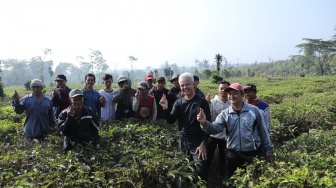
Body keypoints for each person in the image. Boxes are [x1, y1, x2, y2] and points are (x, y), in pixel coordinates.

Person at [197, 83, 273, 178]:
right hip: (233, 154)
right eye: (229, 94)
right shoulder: (225, 114)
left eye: (235, 93)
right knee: (235, 180)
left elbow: (263, 131)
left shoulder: (254, 111)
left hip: (251, 153)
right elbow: (215, 129)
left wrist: (268, 148)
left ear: (242, 95)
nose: (231, 96)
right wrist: (204, 123)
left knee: (252, 180)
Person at [159, 72, 211, 181]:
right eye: (182, 85)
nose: (184, 87)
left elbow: (208, 125)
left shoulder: (202, 102)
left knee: (201, 173)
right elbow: (170, 120)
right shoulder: (178, 103)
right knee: (184, 172)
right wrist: (165, 109)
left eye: (187, 84)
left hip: (198, 143)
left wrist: (203, 144)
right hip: (183, 142)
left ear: (193, 84)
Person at [205, 80, 231, 179]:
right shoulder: (212, 103)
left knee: (223, 157)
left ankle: (223, 176)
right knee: (208, 156)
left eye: (225, 88)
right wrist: (206, 105)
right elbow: (208, 117)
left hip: (225, 136)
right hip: (212, 135)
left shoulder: (231, 103)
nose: (223, 90)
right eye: (221, 88)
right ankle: (206, 176)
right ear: (218, 90)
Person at [244, 83, 271, 155]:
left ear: (255, 92)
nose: (247, 94)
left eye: (249, 92)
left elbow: (266, 125)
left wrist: (267, 144)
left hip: (258, 141)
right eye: (245, 92)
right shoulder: (242, 105)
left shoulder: (263, 106)